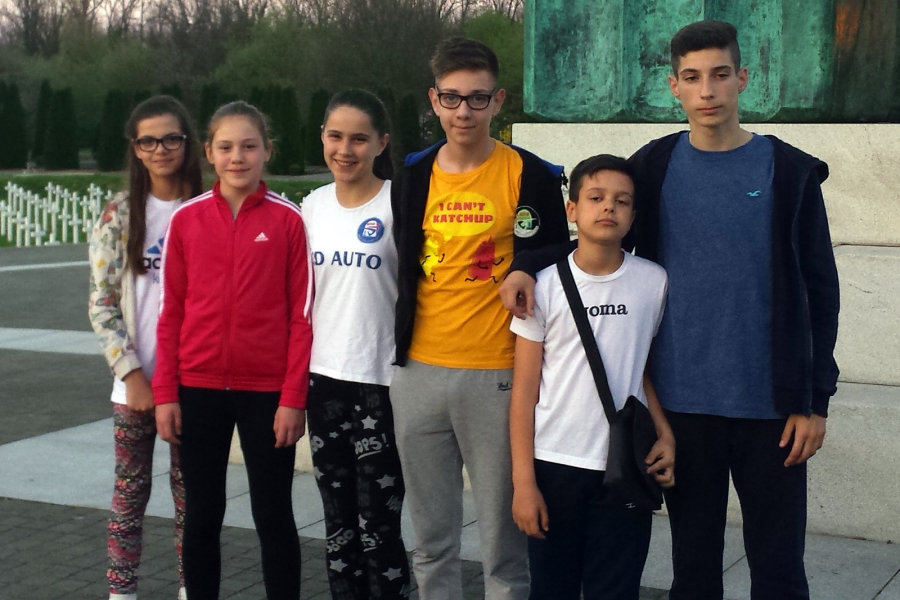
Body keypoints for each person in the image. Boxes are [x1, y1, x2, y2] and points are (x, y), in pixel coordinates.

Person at [499, 20, 840, 600]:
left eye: (720, 75)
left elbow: (820, 290)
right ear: (673, 85)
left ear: (743, 79)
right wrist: (528, 264)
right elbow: (600, 229)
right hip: (683, 412)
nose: (707, 90)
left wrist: (814, 399)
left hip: (772, 409)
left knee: (780, 570)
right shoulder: (654, 167)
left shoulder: (788, 172)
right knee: (694, 570)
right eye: (692, 77)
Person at [390, 37, 570, 599]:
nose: (463, 111)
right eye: (451, 98)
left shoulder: (530, 173)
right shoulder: (413, 172)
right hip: (418, 372)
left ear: (498, 101)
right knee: (431, 541)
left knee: (503, 548)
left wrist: (526, 266)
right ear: (434, 100)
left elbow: (559, 250)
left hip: (497, 374)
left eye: (477, 98)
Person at [153, 100, 312, 600]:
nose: (237, 157)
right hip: (197, 389)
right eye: (225, 147)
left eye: (248, 146)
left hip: (267, 394)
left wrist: (293, 398)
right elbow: (170, 311)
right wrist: (165, 392)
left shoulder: (288, 221)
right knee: (202, 513)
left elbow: (302, 317)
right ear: (208, 152)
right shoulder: (186, 220)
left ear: (267, 151)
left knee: (273, 513)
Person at [508, 154, 675, 599]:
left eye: (622, 201)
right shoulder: (542, 285)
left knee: (616, 589)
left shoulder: (653, 282)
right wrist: (524, 483)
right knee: (552, 587)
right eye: (596, 198)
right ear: (572, 209)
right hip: (555, 462)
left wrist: (664, 432)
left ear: (633, 215)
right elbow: (524, 392)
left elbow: (639, 367)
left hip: (624, 465)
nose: (608, 208)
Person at [89, 94, 203, 600]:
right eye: (149, 141)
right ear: (135, 148)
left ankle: (192, 586)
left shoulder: (206, 207)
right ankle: (121, 592)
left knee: (193, 499)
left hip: (194, 382)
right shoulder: (118, 214)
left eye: (171, 138)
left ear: (188, 142)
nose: (161, 149)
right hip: (135, 387)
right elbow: (102, 305)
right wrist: (131, 373)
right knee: (129, 496)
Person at [301, 89, 410, 599]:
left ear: (381, 143)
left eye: (359, 139)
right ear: (322, 137)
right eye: (336, 136)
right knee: (338, 526)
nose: (345, 149)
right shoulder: (312, 207)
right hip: (323, 382)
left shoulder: (399, 203)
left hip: (382, 384)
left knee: (378, 528)